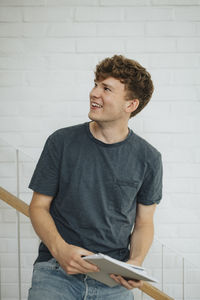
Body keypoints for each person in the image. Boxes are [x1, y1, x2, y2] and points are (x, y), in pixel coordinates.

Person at [28, 55, 163, 300]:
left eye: (106, 88)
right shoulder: (61, 142)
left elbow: (144, 222)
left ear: (130, 105)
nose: (94, 93)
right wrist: (60, 250)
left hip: (113, 282)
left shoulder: (149, 158)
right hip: (55, 272)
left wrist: (135, 262)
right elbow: (38, 207)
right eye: (96, 84)